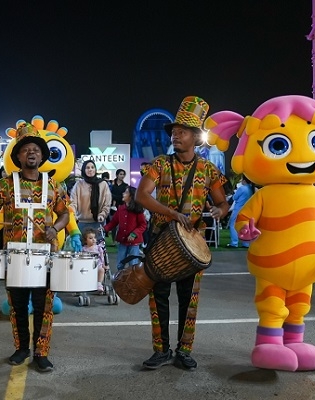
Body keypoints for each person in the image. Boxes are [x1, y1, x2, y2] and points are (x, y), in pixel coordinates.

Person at [135, 96, 229, 371]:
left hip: (192, 245)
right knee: (158, 297)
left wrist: (220, 211)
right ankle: (161, 350)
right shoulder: (159, 164)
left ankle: (184, 350)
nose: (175, 136)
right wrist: (173, 213)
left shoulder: (209, 170)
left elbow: (223, 202)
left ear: (196, 137)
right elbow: (142, 195)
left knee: (189, 300)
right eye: (174, 132)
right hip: (161, 239)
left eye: (182, 132)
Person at [0, 122, 70, 372]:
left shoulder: (54, 186)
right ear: (17, 156)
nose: (31, 152)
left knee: (45, 306)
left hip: (46, 256)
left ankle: (41, 352)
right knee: (18, 305)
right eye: (25, 149)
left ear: (42, 155)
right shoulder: (4, 185)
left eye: (36, 149)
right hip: (15, 256)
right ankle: (21, 348)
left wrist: (56, 228)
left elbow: (64, 214)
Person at [104, 186, 147, 271]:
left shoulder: (138, 210)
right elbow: (114, 222)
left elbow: (143, 225)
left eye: (126, 192)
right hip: (123, 241)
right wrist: (105, 229)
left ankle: (131, 282)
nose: (123, 194)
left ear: (131, 196)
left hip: (134, 243)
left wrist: (134, 233)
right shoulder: (121, 208)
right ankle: (119, 281)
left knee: (133, 265)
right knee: (120, 264)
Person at [70, 160, 111, 241]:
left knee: (97, 250)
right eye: (87, 168)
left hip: (98, 222)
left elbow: (107, 203)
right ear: (84, 170)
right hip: (82, 223)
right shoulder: (78, 185)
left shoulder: (103, 184)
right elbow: (73, 202)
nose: (90, 169)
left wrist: (102, 215)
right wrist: (73, 215)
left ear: (95, 169)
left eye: (92, 167)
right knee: (82, 250)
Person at [226, 175, 255, 248]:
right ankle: (246, 243)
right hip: (247, 210)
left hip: (238, 209)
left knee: (233, 225)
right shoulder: (251, 189)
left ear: (244, 180)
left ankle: (234, 243)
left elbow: (235, 197)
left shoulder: (242, 188)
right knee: (245, 226)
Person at [81, 228, 108, 292]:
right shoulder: (84, 249)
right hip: (87, 266)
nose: (93, 240)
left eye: (94, 238)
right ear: (85, 240)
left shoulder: (98, 248)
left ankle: (99, 284)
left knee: (101, 270)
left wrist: (104, 265)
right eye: (90, 238)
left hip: (98, 264)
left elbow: (102, 257)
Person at [109, 169, 129, 245]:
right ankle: (113, 240)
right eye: (120, 174)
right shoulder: (112, 185)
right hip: (112, 207)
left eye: (123, 174)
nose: (122, 176)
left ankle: (120, 240)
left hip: (121, 206)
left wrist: (114, 196)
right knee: (113, 224)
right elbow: (108, 195)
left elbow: (123, 197)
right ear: (117, 175)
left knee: (121, 224)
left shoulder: (125, 186)